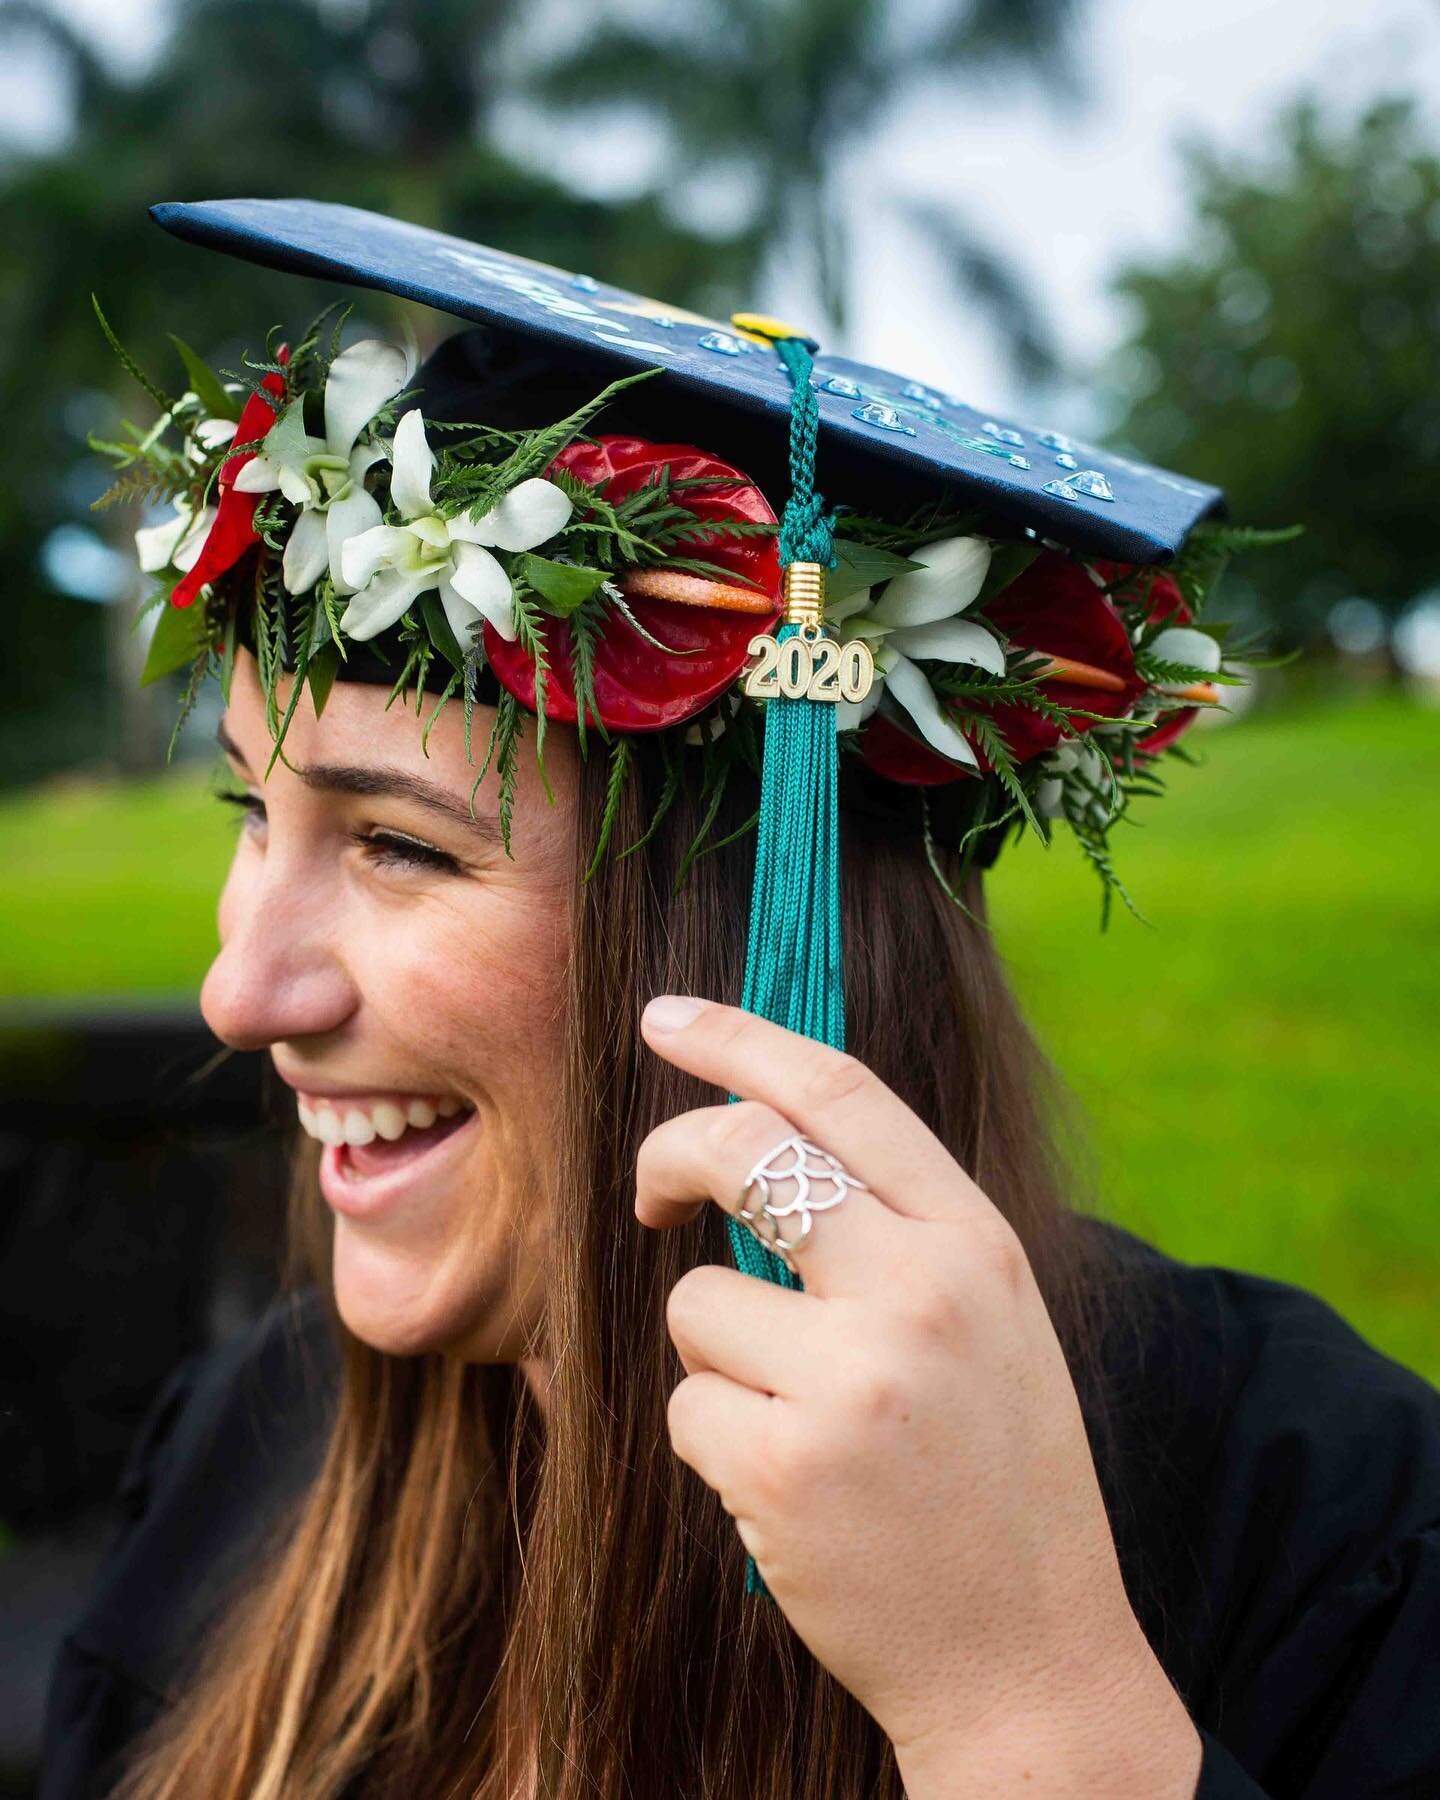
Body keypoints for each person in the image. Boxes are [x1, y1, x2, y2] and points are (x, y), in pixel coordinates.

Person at [42, 200, 1440, 1799]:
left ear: (755, 923)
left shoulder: (1316, 1514)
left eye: (394, 845)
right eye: (250, 814)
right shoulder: (250, 1453)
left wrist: (1024, 1705)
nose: (239, 992)